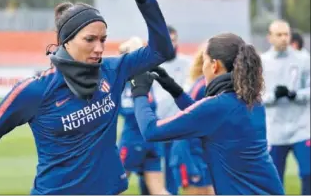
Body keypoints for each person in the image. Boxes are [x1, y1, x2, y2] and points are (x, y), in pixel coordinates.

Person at [0, 0, 175, 195]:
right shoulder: (35, 90)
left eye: (103, 39)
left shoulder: (114, 69)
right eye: (90, 39)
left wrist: (147, 1)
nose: (99, 48)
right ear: (67, 41)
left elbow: (161, 50)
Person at [129, 33, 285, 195]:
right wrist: (174, 89)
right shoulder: (253, 101)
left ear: (214, 65)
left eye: (204, 61)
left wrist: (139, 91)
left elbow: (151, 131)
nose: (202, 67)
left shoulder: (217, 106)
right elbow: (206, 118)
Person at [261, 20, 310, 195]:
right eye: (279, 35)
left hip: (301, 128)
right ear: (269, 37)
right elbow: (255, 95)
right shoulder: (262, 62)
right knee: (274, 179)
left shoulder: (303, 59)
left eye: (286, 34)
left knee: (308, 173)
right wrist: (273, 96)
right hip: (275, 131)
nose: (284, 38)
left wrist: (295, 95)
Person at [118, 37, 169, 195]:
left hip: (133, 139)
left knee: (111, 187)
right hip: (153, 139)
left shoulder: (129, 82)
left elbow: (127, 110)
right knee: (159, 191)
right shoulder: (152, 76)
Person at [151, 25, 193, 195]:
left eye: (174, 40)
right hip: (155, 124)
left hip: (178, 124)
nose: (172, 44)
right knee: (149, 169)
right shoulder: (150, 64)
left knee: (172, 167)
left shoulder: (187, 63)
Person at [170, 45, 214, 195]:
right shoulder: (202, 87)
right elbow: (185, 123)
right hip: (190, 156)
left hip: (205, 154)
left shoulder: (215, 86)